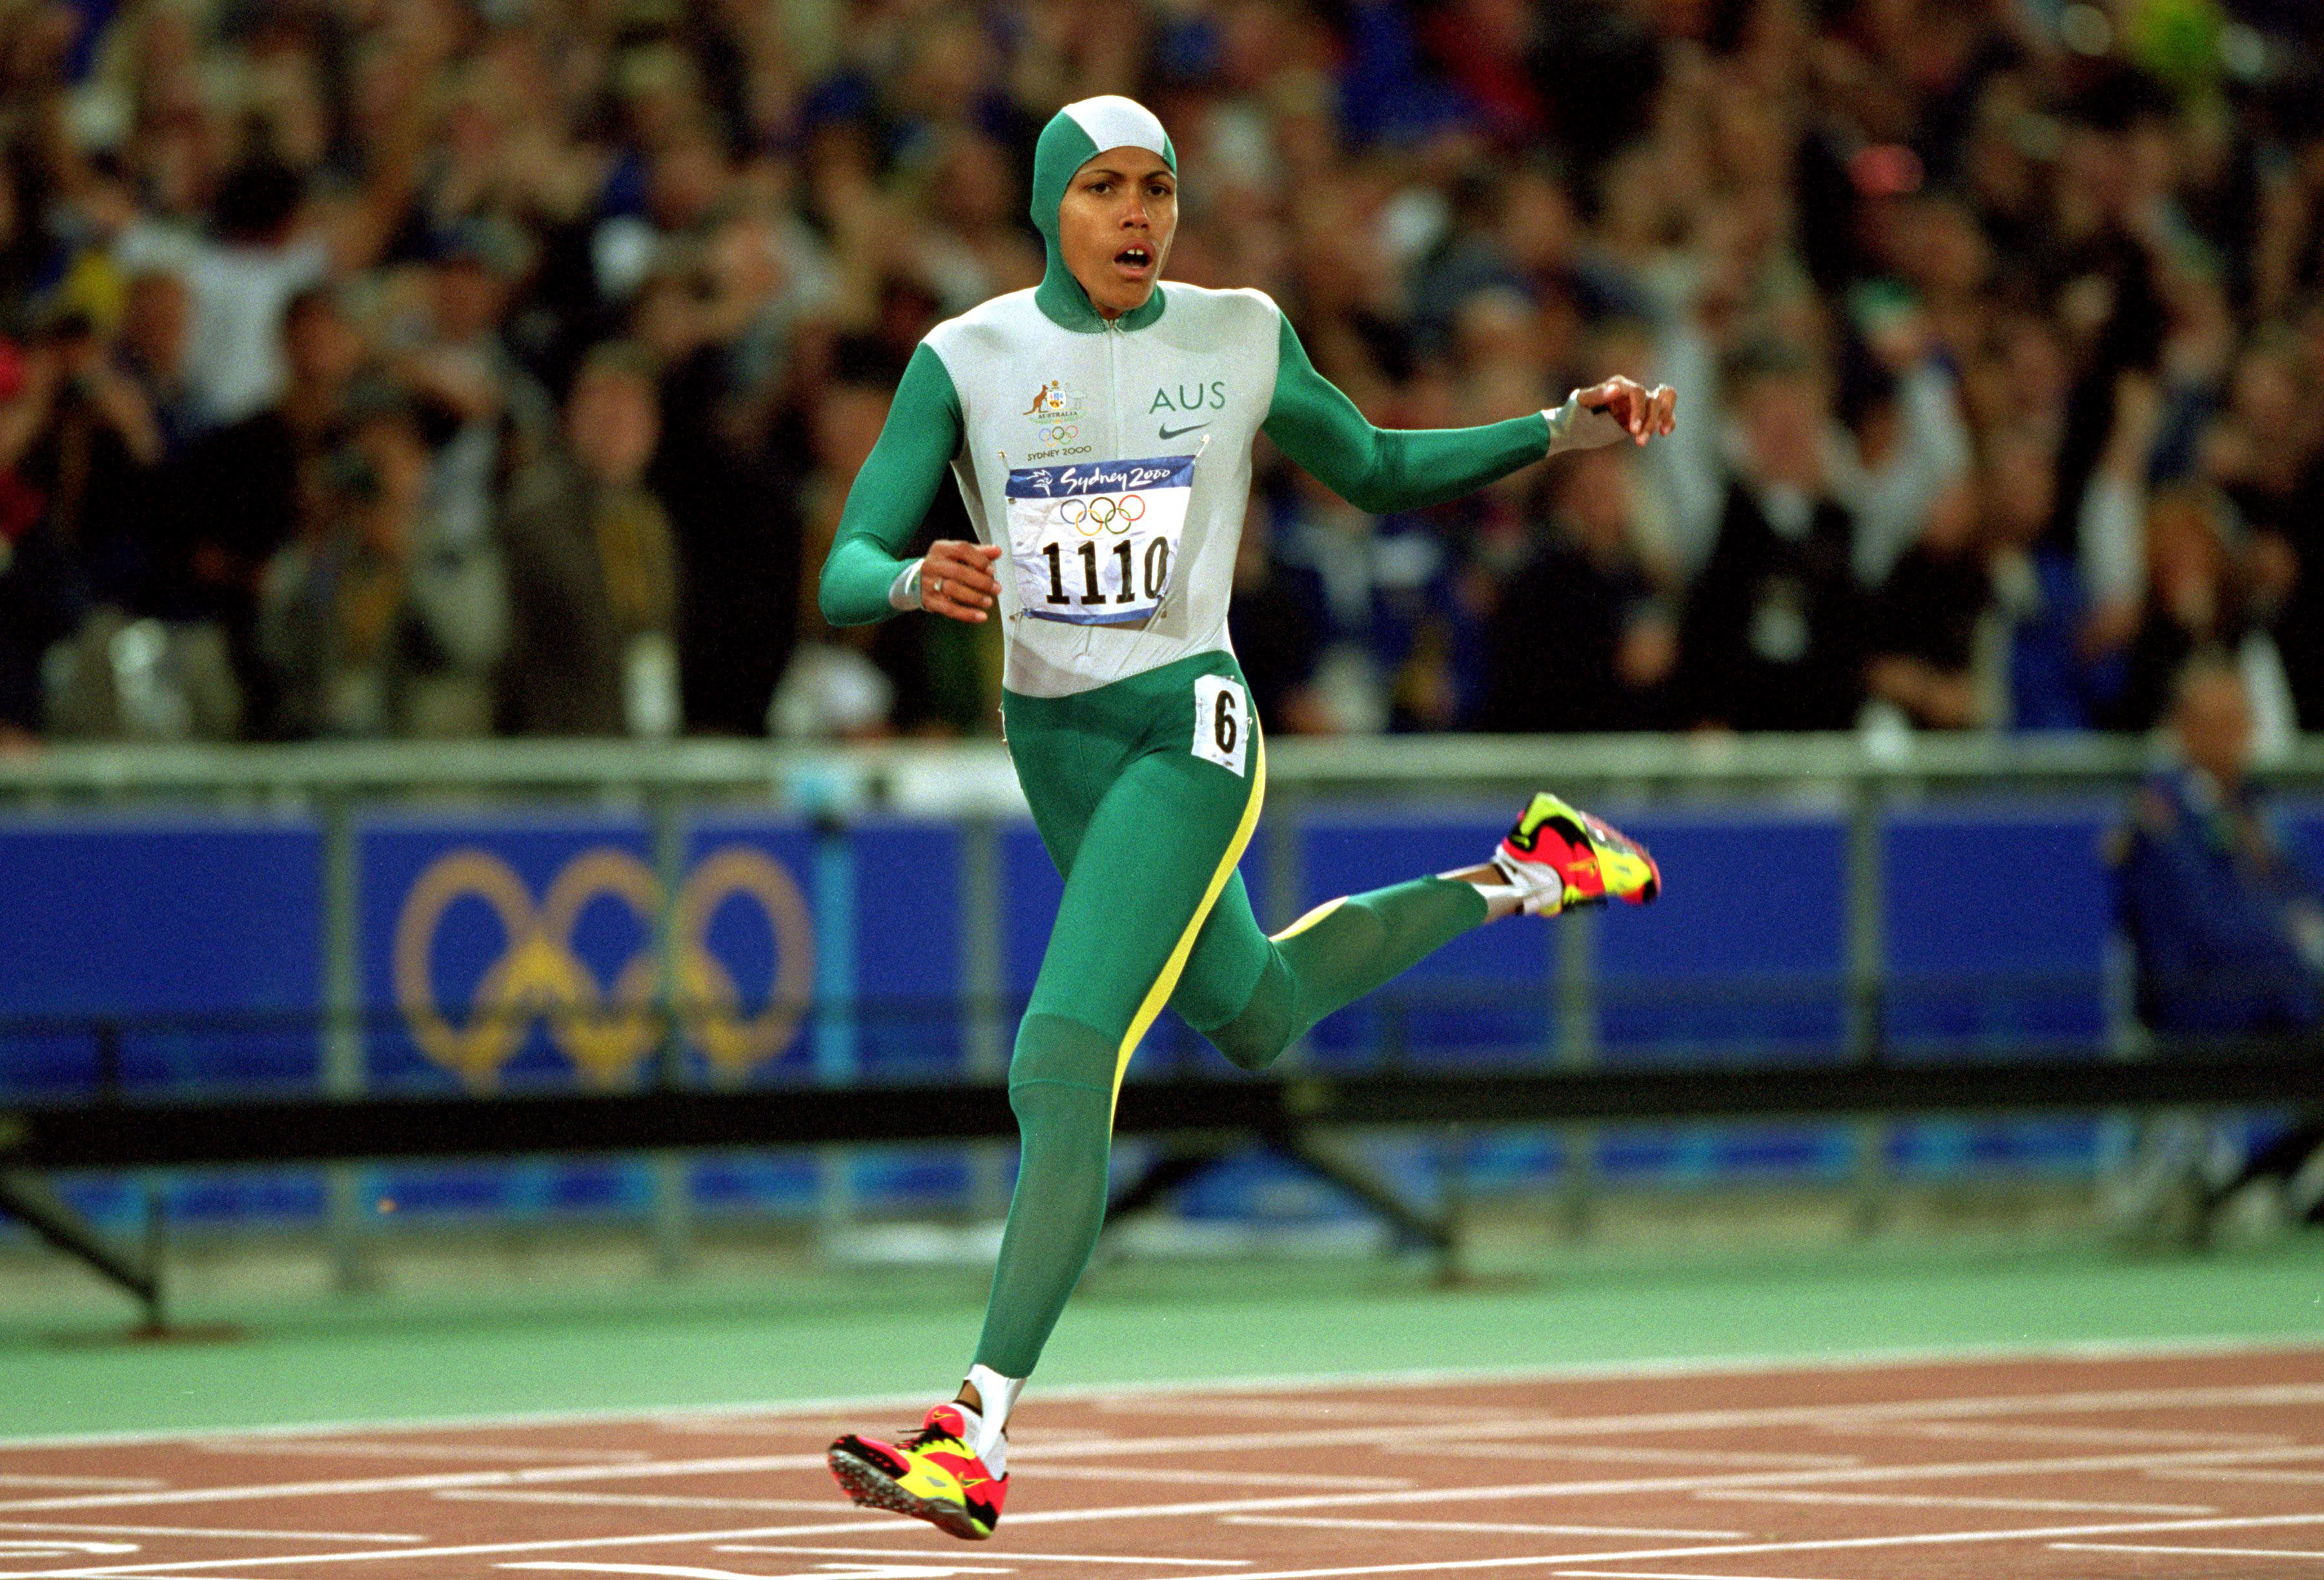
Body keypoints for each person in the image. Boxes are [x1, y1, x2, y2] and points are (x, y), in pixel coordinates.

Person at [815, 96, 1676, 1541]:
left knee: (1062, 1051)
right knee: (1260, 1009)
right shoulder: (962, 360)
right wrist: (914, 583)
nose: (1139, 215)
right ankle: (1533, 868)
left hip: (1187, 724)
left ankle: (975, 1428)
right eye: (1104, 190)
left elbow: (1381, 468)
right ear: (1050, 208)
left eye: (1158, 188)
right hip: (1057, 742)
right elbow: (845, 559)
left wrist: (1557, 433)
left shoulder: (1237, 335)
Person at [2110, 653, 2324, 1241]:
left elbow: (2301, 897)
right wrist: (2294, 948)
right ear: (2184, 728)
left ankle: (2266, 1184)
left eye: (2245, 719)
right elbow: (2201, 928)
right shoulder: (2161, 815)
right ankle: (2250, 1187)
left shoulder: (2254, 807)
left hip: (2276, 994)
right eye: (2226, 721)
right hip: (2203, 1001)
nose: (2244, 736)